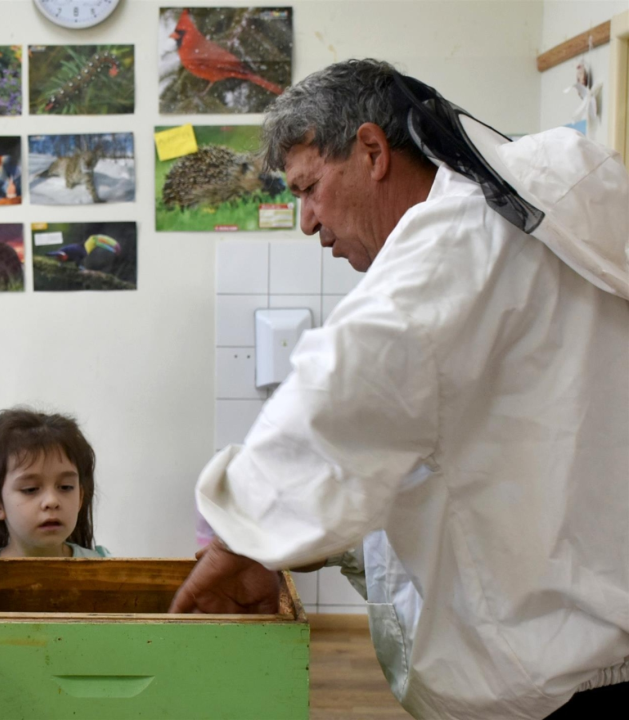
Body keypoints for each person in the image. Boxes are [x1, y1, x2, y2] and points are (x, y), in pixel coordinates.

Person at [170, 59, 629, 719]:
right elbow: (490, 454)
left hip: (544, 682)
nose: (305, 221)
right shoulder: (543, 218)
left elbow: (349, 379)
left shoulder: (464, 232)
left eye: (309, 188)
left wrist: (246, 530)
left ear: (372, 152)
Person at [0, 408, 108, 558]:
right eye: (31, 489)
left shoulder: (106, 571)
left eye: (66, 487)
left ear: (80, 497)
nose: (52, 501)